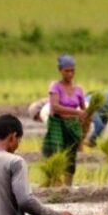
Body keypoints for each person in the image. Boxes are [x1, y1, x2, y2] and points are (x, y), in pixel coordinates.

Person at [42, 54, 88, 185]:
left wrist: (84, 122)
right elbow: (55, 107)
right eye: (67, 71)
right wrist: (76, 112)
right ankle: (53, 183)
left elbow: (84, 111)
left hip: (73, 127)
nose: (70, 74)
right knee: (55, 153)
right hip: (57, 124)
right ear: (60, 71)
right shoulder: (55, 86)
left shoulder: (78, 89)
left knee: (70, 157)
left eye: (72, 70)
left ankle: (67, 187)